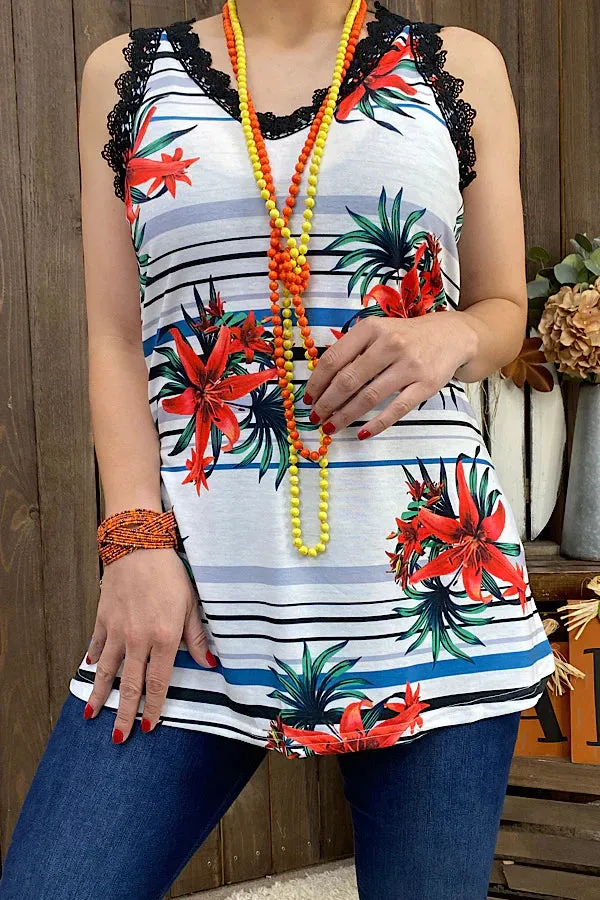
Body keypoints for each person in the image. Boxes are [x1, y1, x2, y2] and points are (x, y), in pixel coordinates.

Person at [0, 1, 555, 898]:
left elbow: (500, 309)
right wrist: (134, 537)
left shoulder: (457, 64)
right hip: (197, 593)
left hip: (432, 595)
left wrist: (447, 336)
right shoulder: (127, 75)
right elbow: (114, 331)